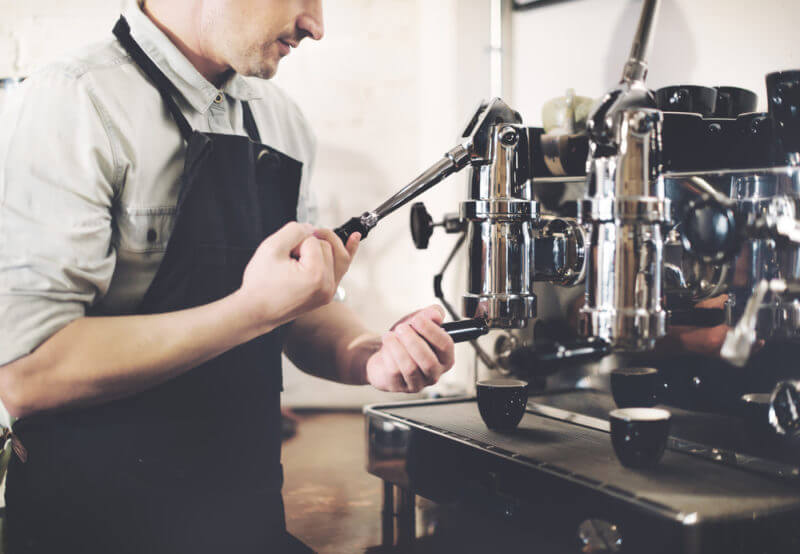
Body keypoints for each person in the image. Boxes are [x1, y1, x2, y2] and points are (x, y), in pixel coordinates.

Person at [0, 1, 456, 552]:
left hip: (243, 521)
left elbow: (298, 310)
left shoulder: (280, 119)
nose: (316, 25)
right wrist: (250, 310)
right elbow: (28, 374)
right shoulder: (76, 101)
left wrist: (367, 352)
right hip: (92, 528)